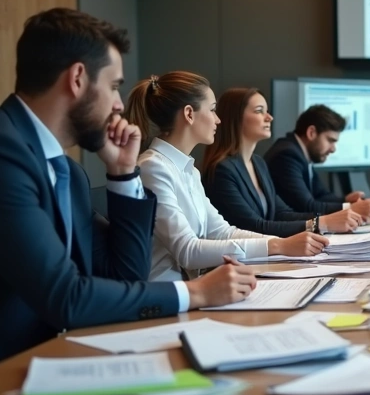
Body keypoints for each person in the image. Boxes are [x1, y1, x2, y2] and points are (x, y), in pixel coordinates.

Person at [0, 9, 257, 393]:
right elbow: (65, 297)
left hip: (40, 361)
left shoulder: (66, 171)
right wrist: (196, 292)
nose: (119, 104)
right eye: (113, 86)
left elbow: (125, 274)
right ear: (78, 78)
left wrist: (123, 174)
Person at [126, 72, 329, 281]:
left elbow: (223, 232)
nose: (218, 119)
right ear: (189, 114)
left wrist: (281, 244)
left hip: (192, 286)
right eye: (212, 110)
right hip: (166, 292)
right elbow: (188, 251)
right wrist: (278, 245)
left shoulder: (189, 171)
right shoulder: (153, 167)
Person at [202, 88, 363, 236]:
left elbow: (281, 213)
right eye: (259, 111)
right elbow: (254, 227)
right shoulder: (222, 170)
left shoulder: (258, 163)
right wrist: (321, 223)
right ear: (235, 118)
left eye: (267, 111)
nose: (269, 117)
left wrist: (326, 220)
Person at [264, 104, 370, 218]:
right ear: (311, 133)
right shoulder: (287, 155)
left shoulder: (299, 152)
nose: (333, 149)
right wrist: (350, 208)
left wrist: (345, 200)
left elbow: (320, 195)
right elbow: (306, 207)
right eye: (330, 140)